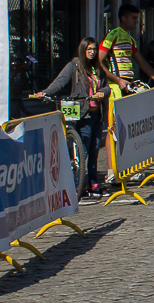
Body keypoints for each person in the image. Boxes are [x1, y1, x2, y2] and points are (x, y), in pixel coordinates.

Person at [34, 38, 106, 198]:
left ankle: (92, 182)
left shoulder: (97, 68)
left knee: (94, 149)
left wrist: (103, 93)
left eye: (94, 49)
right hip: (83, 113)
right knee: (83, 149)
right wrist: (45, 92)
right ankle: (77, 183)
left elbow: (106, 86)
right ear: (83, 50)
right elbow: (60, 82)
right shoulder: (74, 66)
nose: (92, 52)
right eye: (89, 49)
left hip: (97, 114)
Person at [99, 4, 154, 97]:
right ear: (123, 18)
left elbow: (143, 63)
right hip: (116, 85)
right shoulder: (112, 36)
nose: (137, 21)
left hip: (128, 84)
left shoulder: (131, 40)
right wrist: (118, 80)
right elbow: (98, 62)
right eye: (134, 18)